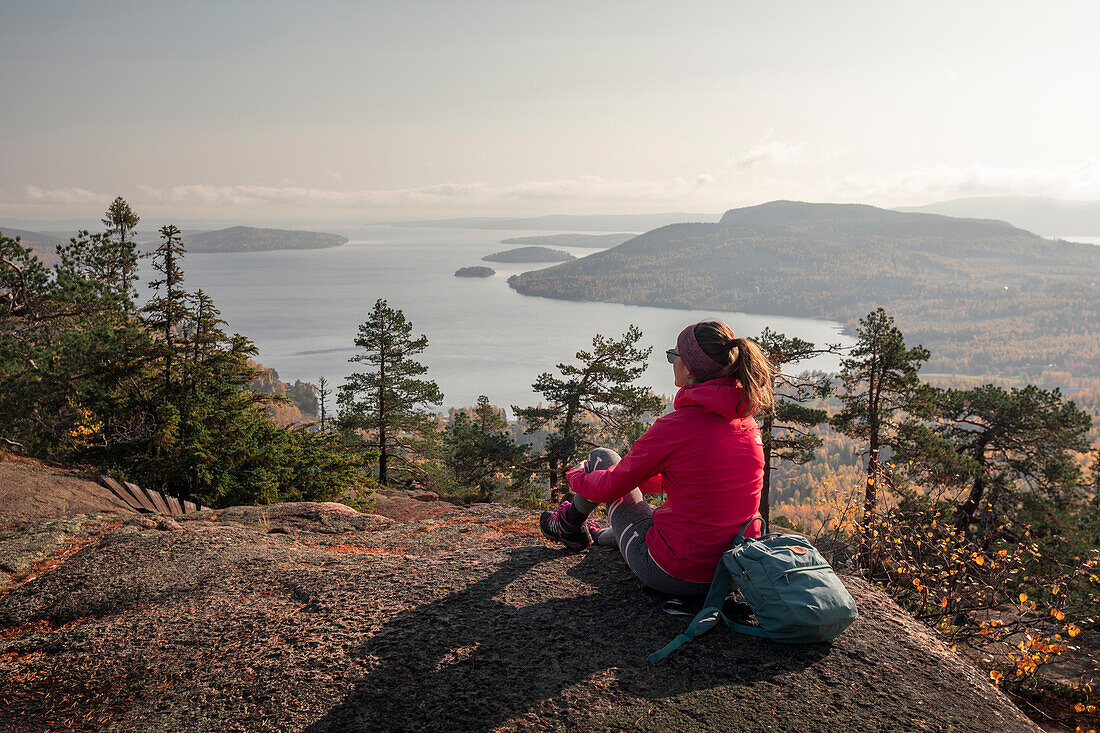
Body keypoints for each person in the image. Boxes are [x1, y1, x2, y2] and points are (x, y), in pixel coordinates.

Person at [539, 320, 774, 597]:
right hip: (733, 572)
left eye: (673, 356)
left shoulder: (677, 426)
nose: (672, 361)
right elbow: (689, 481)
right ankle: (596, 535)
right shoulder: (747, 424)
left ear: (688, 368)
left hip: (677, 574)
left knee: (601, 458)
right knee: (645, 514)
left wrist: (578, 476)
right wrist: (635, 479)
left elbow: (609, 487)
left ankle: (568, 526)